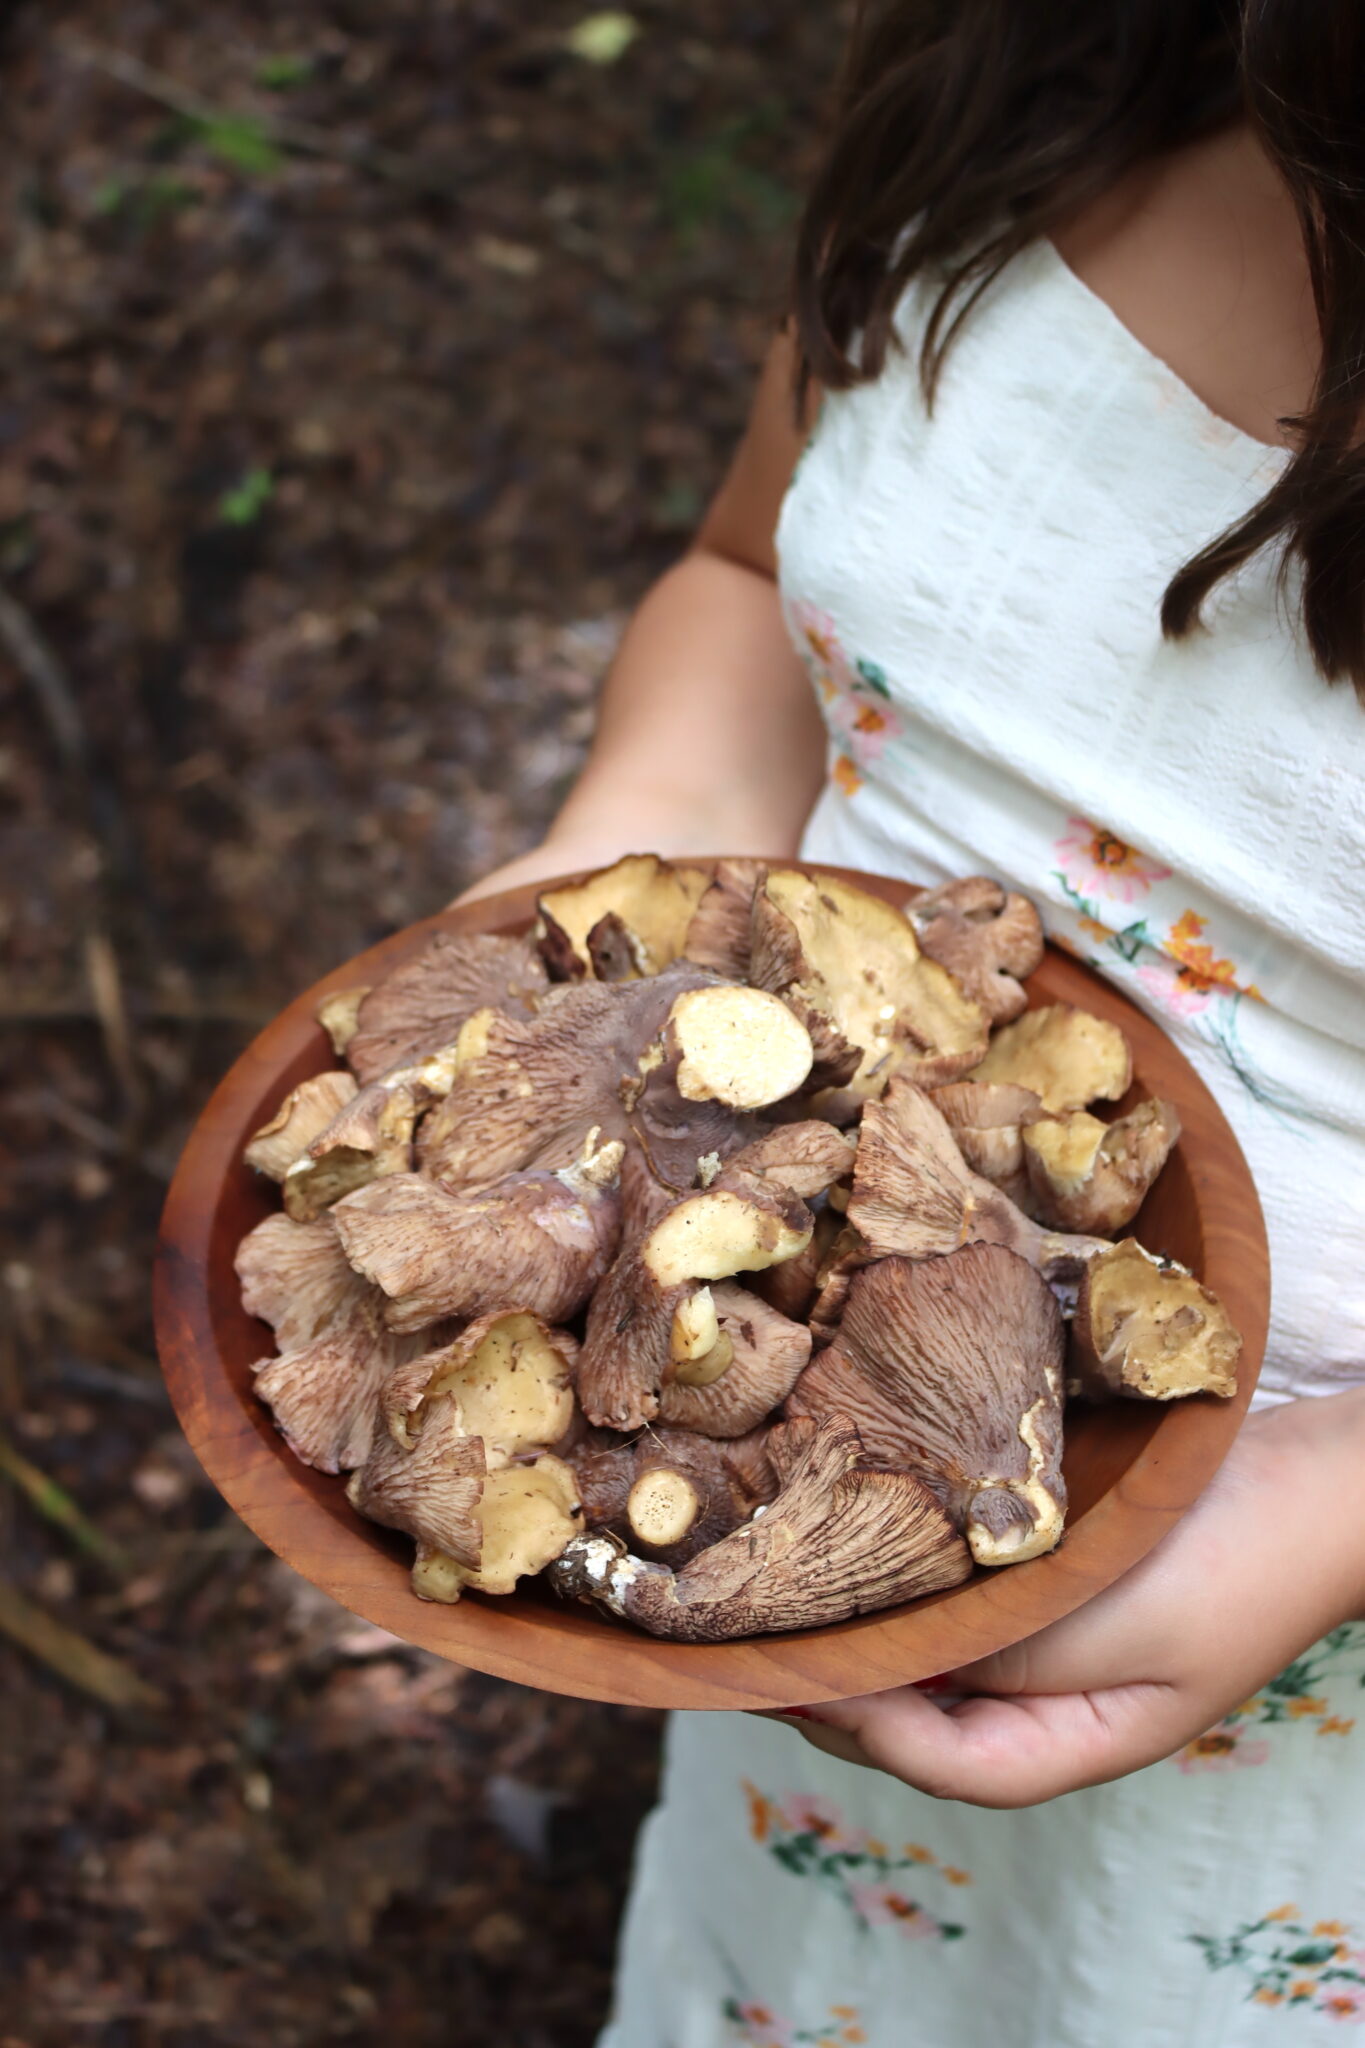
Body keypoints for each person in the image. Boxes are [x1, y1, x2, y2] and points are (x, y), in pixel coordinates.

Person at [463, 6, 1365, 2040]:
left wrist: (1327, 1513)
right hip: (794, 1449)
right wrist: (595, 898)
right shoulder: (1032, 60)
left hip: (1294, 1705)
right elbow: (746, 581)